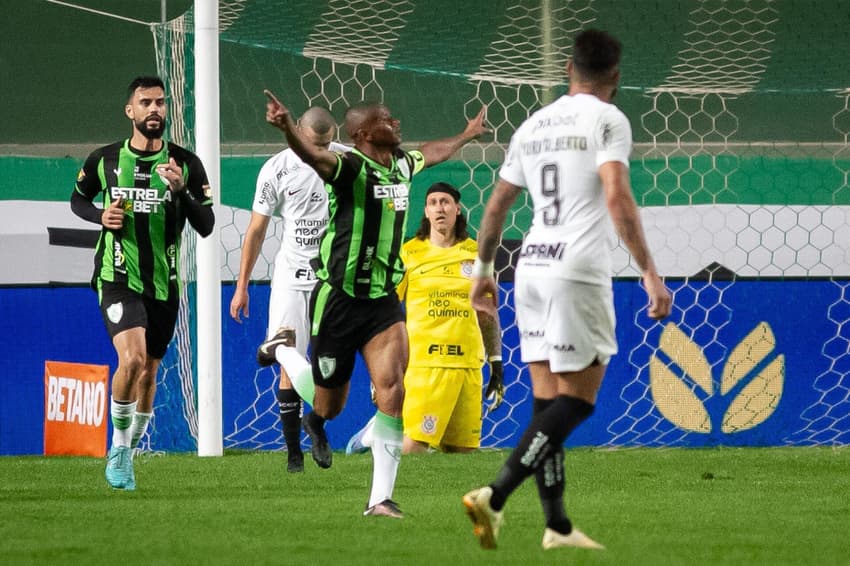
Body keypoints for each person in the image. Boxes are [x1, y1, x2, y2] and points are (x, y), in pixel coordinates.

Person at [462, 29, 672, 551]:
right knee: (577, 403)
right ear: (615, 77)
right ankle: (495, 493)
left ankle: (556, 527)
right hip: (577, 269)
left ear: (567, 70)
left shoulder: (533, 124)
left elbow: (495, 207)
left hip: (529, 265)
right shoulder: (608, 119)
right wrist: (648, 270)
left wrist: (483, 268)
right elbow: (617, 196)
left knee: (546, 405)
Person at [256, 90, 489, 518]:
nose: (396, 122)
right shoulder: (347, 167)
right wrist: (289, 127)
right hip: (340, 300)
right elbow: (314, 158)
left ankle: (379, 499)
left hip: (382, 300)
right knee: (330, 406)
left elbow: (430, 154)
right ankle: (283, 350)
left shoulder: (401, 164)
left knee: (392, 391)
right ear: (364, 133)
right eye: (387, 119)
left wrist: (466, 135)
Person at [70, 75, 215, 490]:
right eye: (145, 102)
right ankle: (118, 450)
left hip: (164, 284)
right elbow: (78, 199)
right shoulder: (105, 159)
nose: (155, 109)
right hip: (117, 277)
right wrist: (100, 215)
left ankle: (127, 451)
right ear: (130, 111)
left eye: (160, 103)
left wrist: (182, 191)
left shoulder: (185, 163)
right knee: (131, 361)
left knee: (149, 374)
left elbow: (205, 226)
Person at [229, 107, 349, 474]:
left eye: (326, 144)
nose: (320, 151)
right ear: (297, 131)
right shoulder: (276, 169)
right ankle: (294, 454)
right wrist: (242, 286)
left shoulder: (346, 161)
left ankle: (318, 425)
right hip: (291, 277)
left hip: (333, 278)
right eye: (315, 144)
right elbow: (256, 230)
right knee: (290, 361)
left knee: (330, 364)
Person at [345, 181, 504, 455]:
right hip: (424, 365)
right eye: (433, 203)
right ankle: (374, 434)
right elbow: (385, 313)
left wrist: (496, 363)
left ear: (457, 209)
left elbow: (487, 313)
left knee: (462, 454)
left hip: (468, 365)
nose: (439, 208)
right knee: (413, 449)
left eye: (445, 202)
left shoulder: (476, 254)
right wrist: (381, 369)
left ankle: (379, 432)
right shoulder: (409, 253)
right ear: (426, 213)